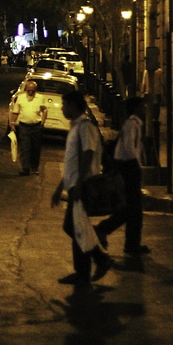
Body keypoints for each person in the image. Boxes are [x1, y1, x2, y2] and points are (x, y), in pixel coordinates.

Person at [50, 89, 113, 289]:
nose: (62, 108)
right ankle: (85, 270)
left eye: (65, 104)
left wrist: (78, 185)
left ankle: (97, 261)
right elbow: (71, 162)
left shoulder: (85, 127)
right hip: (76, 185)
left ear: (74, 105)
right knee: (75, 227)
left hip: (84, 187)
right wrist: (60, 187)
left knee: (73, 227)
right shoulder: (75, 127)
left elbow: (87, 154)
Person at [95, 96, 150, 256]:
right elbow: (127, 149)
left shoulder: (133, 124)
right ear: (136, 109)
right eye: (142, 107)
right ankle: (104, 229)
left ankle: (132, 244)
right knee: (132, 208)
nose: (144, 110)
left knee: (133, 210)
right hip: (128, 169)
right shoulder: (131, 124)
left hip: (127, 167)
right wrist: (135, 169)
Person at [9, 79, 47, 175]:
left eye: (32, 90)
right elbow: (15, 112)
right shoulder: (21, 98)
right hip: (24, 126)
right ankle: (25, 168)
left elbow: (45, 110)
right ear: (26, 89)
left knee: (35, 147)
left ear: (35, 90)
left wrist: (43, 122)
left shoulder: (40, 98)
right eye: (29, 90)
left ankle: (34, 167)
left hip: (36, 126)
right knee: (25, 148)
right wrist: (12, 123)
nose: (30, 92)